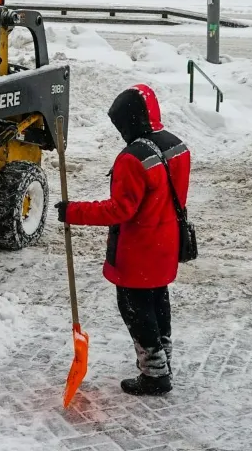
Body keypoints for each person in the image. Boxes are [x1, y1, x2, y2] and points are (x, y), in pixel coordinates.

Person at [56, 84, 190, 396]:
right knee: (158, 301)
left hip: (138, 248)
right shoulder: (178, 147)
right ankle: (162, 360)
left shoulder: (133, 159)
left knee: (136, 309)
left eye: (121, 125)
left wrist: (72, 211)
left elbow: (120, 210)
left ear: (130, 120)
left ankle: (155, 375)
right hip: (167, 241)